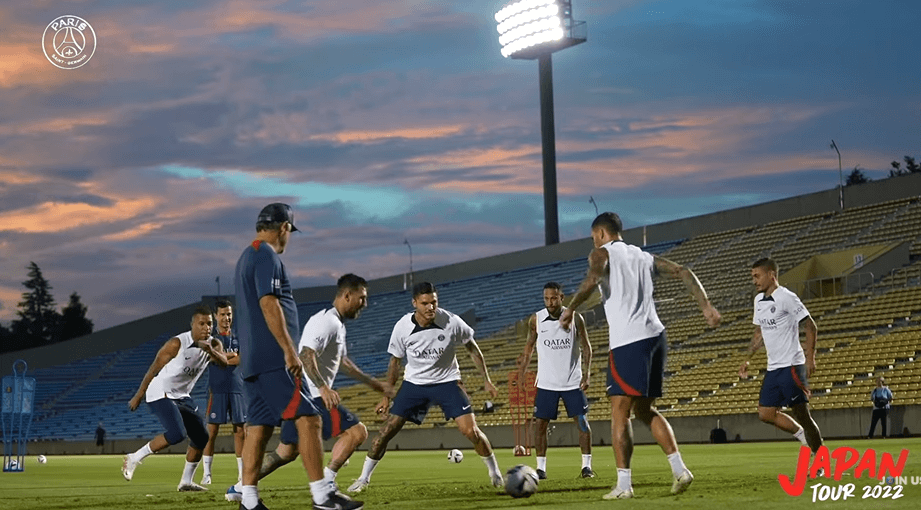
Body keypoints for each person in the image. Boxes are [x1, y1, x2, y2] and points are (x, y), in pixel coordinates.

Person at [560, 212, 721, 500]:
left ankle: (624, 486)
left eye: (593, 235)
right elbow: (683, 270)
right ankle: (679, 469)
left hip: (628, 341)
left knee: (619, 413)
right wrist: (706, 307)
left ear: (600, 233)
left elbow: (592, 281)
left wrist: (570, 308)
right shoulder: (643, 257)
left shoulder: (600, 252)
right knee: (644, 410)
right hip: (656, 337)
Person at [234, 203, 361, 510]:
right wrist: (290, 351)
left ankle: (248, 500)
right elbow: (269, 303)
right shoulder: (265, 255)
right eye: (289, 231)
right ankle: (322, 495)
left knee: (260, 429)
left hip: (252, 361)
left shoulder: (245, 256)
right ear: (284, 228)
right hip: (273, 358)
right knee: (309, 419)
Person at [226, 273, 394, 502]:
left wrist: (375, 384)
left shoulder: (336, 324)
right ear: (347, 295)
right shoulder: (327, 321)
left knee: (285, 452)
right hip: (312, 396)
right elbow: (306, 355)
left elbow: (343, 362)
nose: (365, 304)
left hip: (306, 393)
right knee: (357, 432)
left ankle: (239, 488)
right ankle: (327, 483)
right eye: (362, 298)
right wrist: (323, 387)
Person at [348, 281, 503, 493]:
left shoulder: (452, 321)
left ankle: (495, 473)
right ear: (414, 303)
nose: (430, 307)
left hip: (447, 381)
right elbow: (395, 362)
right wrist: (386, 396)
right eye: (425, 303)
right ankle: (363, 479)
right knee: (386, 431)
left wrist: (486, 379)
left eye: (434, 302)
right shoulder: (402, 326)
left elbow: (472, 349)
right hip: (415, 384)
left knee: (470, 430)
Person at [123, 304, 230, 491]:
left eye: (209, 324)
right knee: (177, 434)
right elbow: (153, 369)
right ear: (193, 326)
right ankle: (134, 457)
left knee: (201, 437)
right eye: (202, 324)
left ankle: (186, 482)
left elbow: (224, 363)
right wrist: (138, 395)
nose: (206, 328)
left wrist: (210, 351)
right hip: (160, 392)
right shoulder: (177, 343)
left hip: (182, 395)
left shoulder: (214, 344)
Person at [739, 258, 824, 466]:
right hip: (773, 368)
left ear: (771, 275)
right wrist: (747, 359)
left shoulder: (787, 297)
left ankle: (821, 461)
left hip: (792, 366)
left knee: (803, 414)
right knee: (765, 413)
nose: (754, 281)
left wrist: (810, 358)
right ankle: (804, 438)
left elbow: (810, 325)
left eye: (757, 276)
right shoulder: (759, 300)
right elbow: (758, 332)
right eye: (752, 276)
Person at [517, 281, 594, 480]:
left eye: (554, 298)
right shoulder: (536, 320)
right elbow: (528, 348)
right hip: (546, 384)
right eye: (546, 298)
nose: (550, 302)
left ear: (562, 297)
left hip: (572, 382)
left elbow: (586, 347)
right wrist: (522, 373)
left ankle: (587, 467)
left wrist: (587, 374)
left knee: (583, 423)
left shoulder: (576, 318)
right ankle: (541, 469)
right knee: (540, 425)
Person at [200, 299, 246, 486]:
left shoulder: (239, 337)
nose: (227, 318)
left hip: (237, 388)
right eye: (223, 314)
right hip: (216, 389)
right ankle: (207, 474)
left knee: (240, 432)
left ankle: (242, 475)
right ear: (216, 316)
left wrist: (222, 357)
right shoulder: (210, 339)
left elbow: (241, 359)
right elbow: (211, 357)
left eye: (229, 314)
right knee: (211, 433)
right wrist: (229, 356)